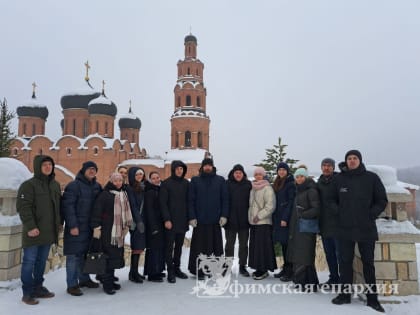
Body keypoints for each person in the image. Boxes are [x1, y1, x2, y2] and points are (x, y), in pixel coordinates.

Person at [331, 150, 388, 313]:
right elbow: (330, 200)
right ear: (346, 161)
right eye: (349, 158)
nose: (352, 160)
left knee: (368, 264)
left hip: (366, 228)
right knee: (345, 263)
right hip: (344, 228)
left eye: (355, 158)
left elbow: (382, 200)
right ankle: (345, 295)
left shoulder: (371, 178)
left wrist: (371, 214)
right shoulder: (339, 179)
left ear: (360, 160)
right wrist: (339, 212)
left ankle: (372, 299)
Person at [16, 155, 61, 305]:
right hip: (33, 232)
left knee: (41, 262)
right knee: (29, 261)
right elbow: (23, 207)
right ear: (37, 167)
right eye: (45, 165)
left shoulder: (54, 185)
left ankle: (38, 287)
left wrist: (59, 224)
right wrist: (31, 226)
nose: (48, 167)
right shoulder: (29, 185)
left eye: (50, 164)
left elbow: (57, 208)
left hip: (48, 232)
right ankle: (27, 292)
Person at [61, 161, 102, 296]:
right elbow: (68, 207)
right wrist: (72, 225)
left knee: (85, 255)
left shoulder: (97, 186)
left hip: (90, 228)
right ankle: (72, 285)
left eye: (94, 169)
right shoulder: (74, 186)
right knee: (73, 256)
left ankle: (84, 279)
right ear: (83, 170)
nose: (91, 171)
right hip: (77, 227)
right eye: (89, 169)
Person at [91, 173, 132, 295]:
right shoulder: (105, 194)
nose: (118, 183)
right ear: (111, 181)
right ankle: (107, 283)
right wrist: (96, 227)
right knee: (107, 256)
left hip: (118, 232)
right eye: (116, 181)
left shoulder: (123, 194)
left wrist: (126, 226)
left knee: (114, 256)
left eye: (120, 180)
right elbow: (97, 211)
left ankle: (110, 280)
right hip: (107, 231)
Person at [188, 158, 229, 280]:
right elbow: (190, 200)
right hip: (199, 221)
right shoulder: (195, 181)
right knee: (199, 247)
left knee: (215, 246)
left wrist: (224, 215)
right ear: (202, 167)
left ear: (212, 167)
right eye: (205, 165)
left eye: (209, 165)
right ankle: (199, 271)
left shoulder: (220, 180)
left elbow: (225, 200)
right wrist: (192, 217)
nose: (207, 167)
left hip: (215, 220)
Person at [287, 167, 320, 292]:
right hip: (298, 227)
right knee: (299, 254)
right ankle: (301, 281)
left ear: (306, 177)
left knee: (305, 255)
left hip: (306, 227)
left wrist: (303, 214)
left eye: (301, 176)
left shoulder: (311, 190)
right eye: (297, 177)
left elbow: (316, 209)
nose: (299, 179)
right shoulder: (299, 190)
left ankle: (308, 283)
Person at [159, 160, 190, 283]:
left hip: (182, 220)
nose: (179, 171)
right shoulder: (166, 184)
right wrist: (166, 219)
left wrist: (189, 218)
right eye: (177, 168)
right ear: (173, 169)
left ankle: (177, 268)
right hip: (170, 221)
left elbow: (189, 202)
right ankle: (170, 271)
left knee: (179, 247)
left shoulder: (186, 183)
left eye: (181, 169)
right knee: (169, 247)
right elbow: (163, 203)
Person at [248, 166, 276, 280]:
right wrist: (251, 218)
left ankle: (263, 269)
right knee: (256, 247)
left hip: (263, 222)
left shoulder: (267, 188)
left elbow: (270, 206)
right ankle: (258, 268)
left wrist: (258, 216)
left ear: (263, 175)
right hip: (254, 223)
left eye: (260, 174)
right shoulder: (253, 188)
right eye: (256, 174)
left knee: (263, 247)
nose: (258, 176)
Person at [224, 164, 252, 277]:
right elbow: (224, 201)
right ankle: (228, 266)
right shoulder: (227, 184)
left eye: (240, 173)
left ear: (243, 174)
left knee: (243, 245)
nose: (238, 174)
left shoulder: (248, 184)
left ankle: (242, 266)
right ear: (233, 173)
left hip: (244, 220)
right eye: (236, 173)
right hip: (230, 220)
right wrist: (224, 216)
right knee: (229, 245)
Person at [317, 158, 340, 289]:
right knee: (329, 254)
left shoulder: (339, 180)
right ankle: (333, 278)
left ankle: (343, 280)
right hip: (324, 225)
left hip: (338, 225)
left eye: (329, 166)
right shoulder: (319, 182)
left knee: (340, 255)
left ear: (333, 167)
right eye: (324, 165)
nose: (326, 168)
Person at [272, 162, 296, 282]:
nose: (281, 172)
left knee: (287, 245)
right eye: (279, 170)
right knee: (282, 244)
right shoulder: (277, 182)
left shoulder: (290, 184)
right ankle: (285, 268)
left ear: (287, 171)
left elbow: (291, 202)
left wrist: (285, 218)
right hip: (277, 218)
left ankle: (290, 270)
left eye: (283, 170)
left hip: (284, 219)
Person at [143, 171, 166, 282]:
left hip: (160, 225)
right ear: (150, 180)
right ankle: (152, 273)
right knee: (153, 250)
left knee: (160, 248)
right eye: (153, 178)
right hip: (154, 226)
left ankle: (158, 270)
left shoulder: (159, 190)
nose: (156, 180)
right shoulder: (150, 192)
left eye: (157, 177)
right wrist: (153, 227)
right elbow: (149, 211)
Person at [126, 167, 146, 283]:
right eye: (137, 174)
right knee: (136, 247)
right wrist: (139, 221)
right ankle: (133, 273)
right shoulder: (130, 188)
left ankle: (134, 272)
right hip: (136, 221)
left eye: (141, 174)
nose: (139, 176)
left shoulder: (143, 186)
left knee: (139, 247)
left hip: (143, 221)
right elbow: (133, 206)